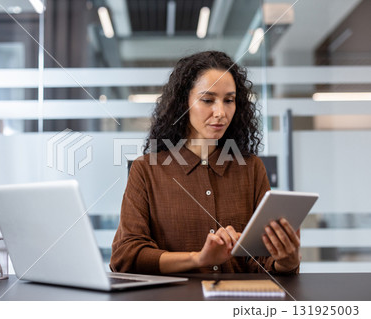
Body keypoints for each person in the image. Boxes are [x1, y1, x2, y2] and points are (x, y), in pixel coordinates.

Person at [110, 51, 300, 275]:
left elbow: (260, 261)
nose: (220, 112)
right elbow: (125, 256)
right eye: (208, 100)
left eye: (229, 100)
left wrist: (286, 261)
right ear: (183, 104)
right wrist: (198, 259)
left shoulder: (251, 169)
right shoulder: (147, 170)